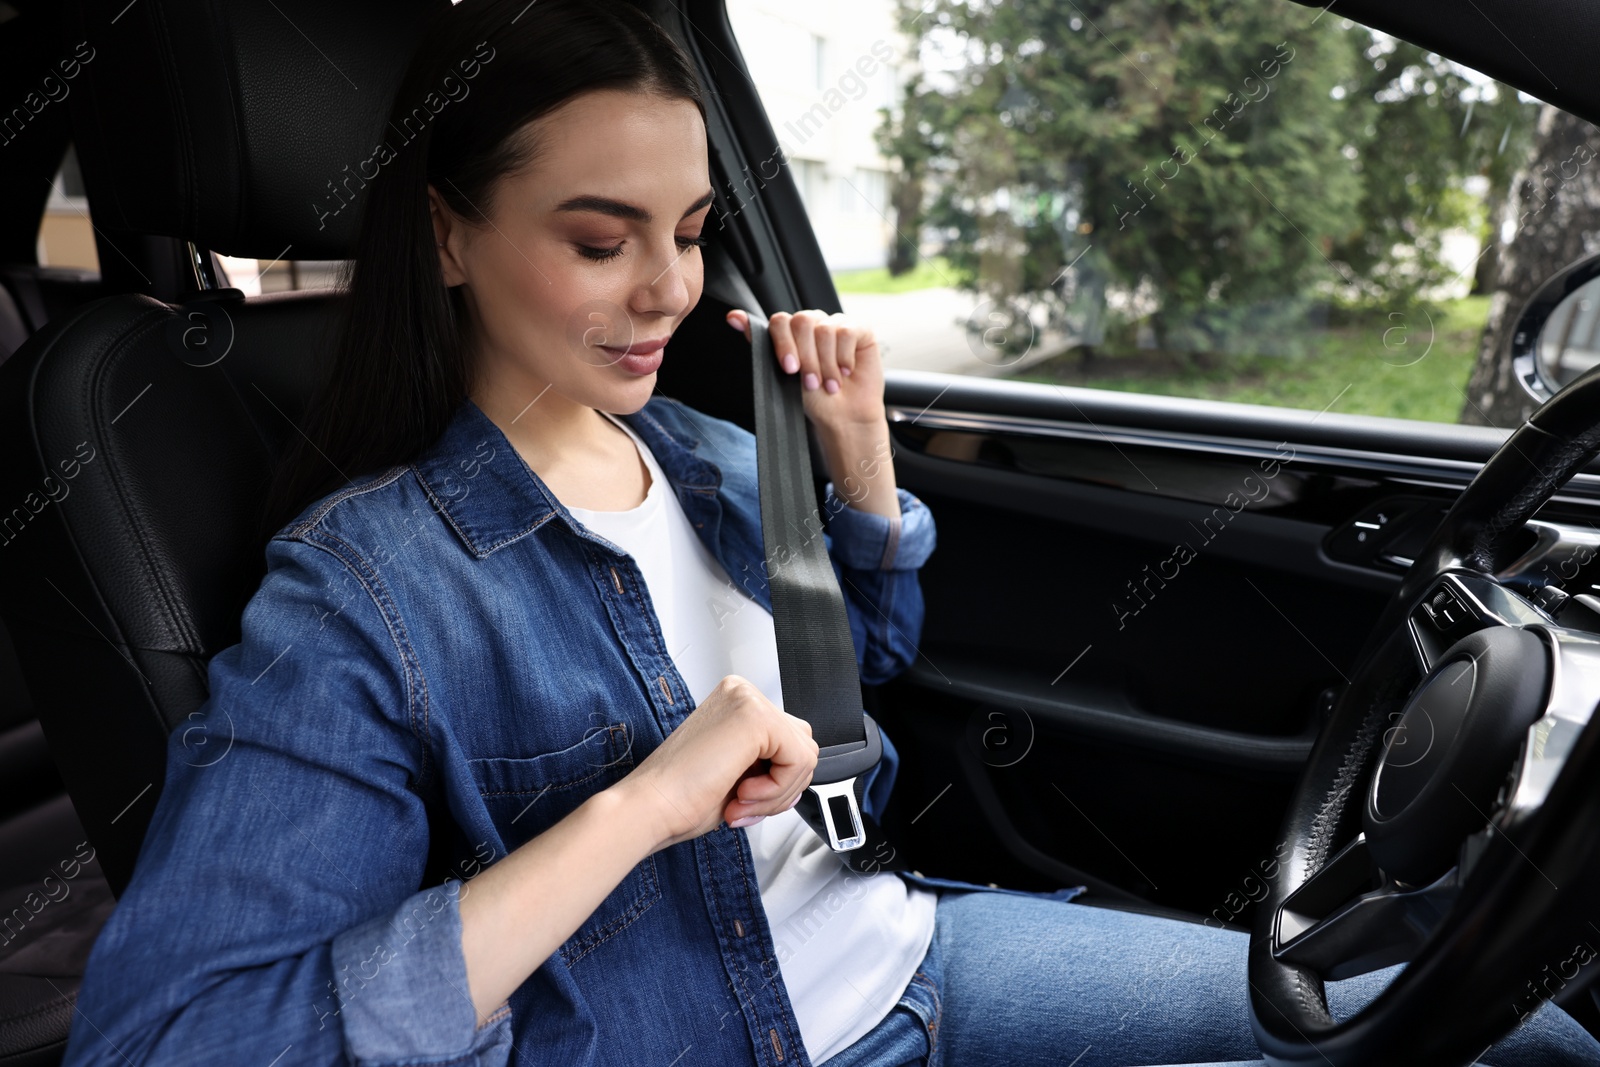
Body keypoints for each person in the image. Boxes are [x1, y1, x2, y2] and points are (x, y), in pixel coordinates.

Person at [57, 1, 1600, 1065]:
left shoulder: (711, 453)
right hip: (699, 1033)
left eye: (686, 232)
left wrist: (860, 484)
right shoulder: (369, 591)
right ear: (453, 235)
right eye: (600, 240)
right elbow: (183, 1038)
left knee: (1505, 1033)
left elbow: (843, 695)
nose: (668, 291)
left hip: (918, 959)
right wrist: (634, 811)